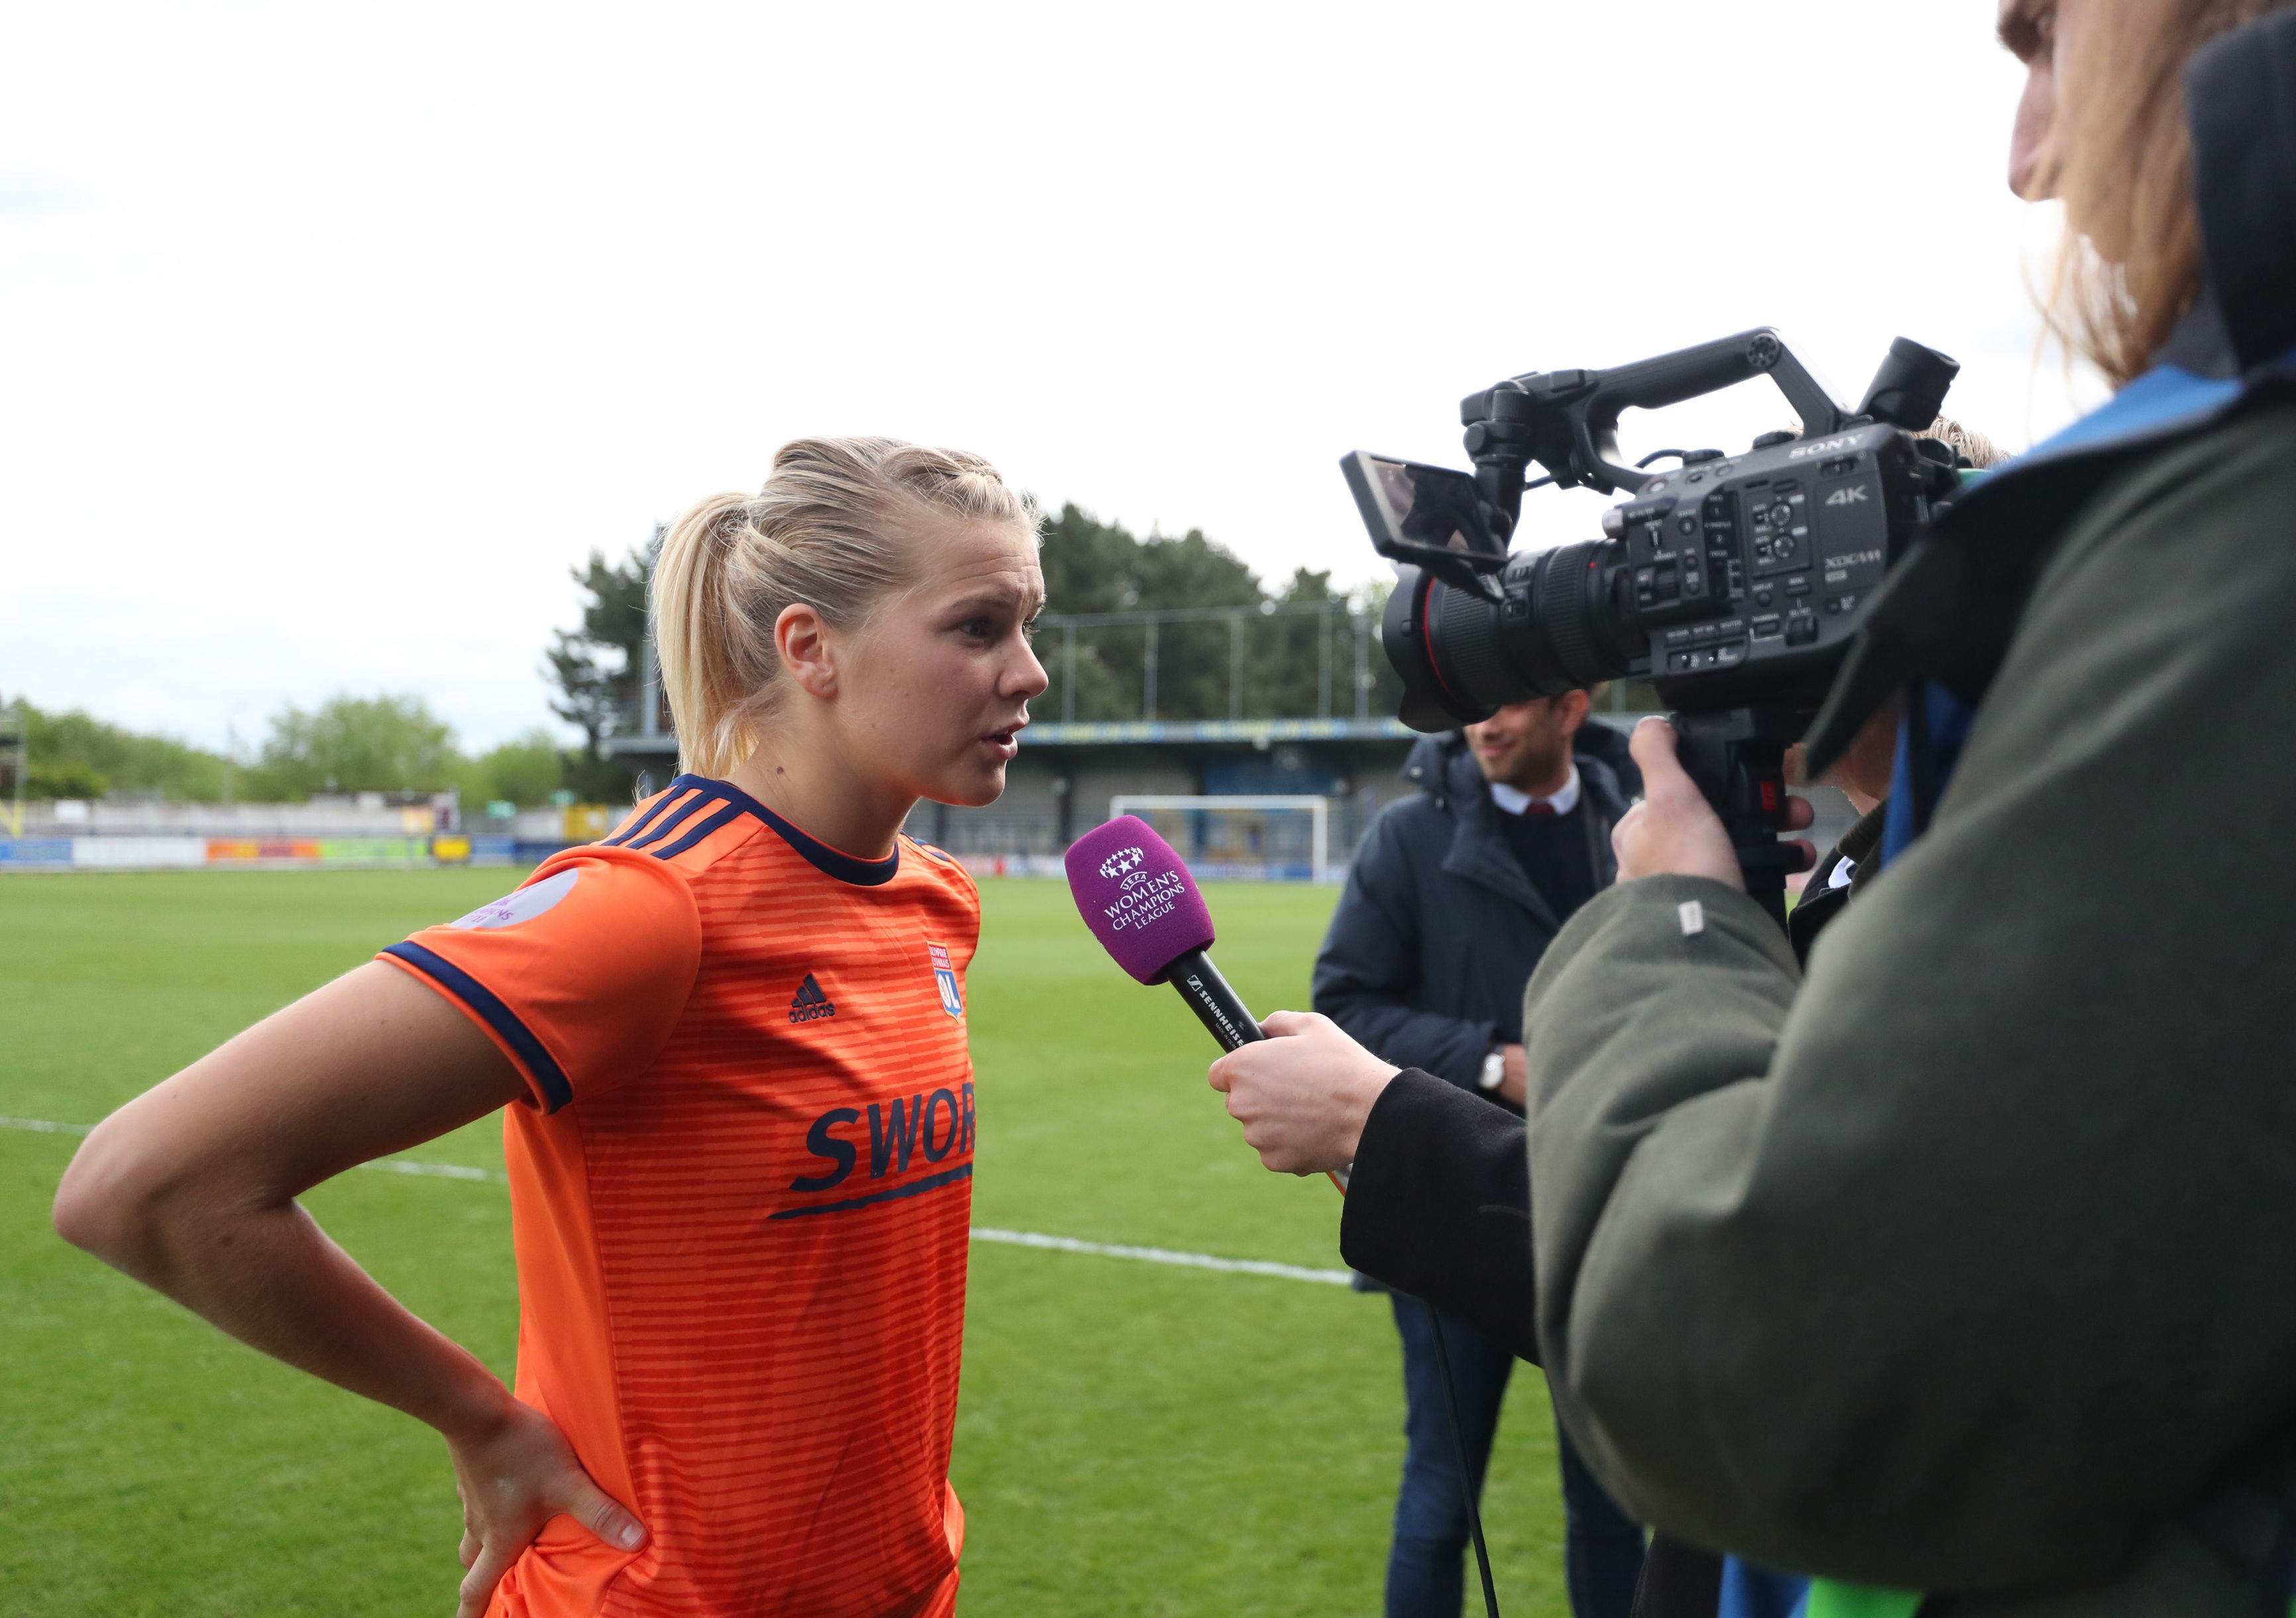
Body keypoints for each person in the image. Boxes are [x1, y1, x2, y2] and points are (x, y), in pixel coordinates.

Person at [1208, 0, 2296, 1611]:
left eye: (2049, 41)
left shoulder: (2230, 546)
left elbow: (1793, 1354)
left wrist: (1666, 923)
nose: (2030, 159)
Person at [52, 437, 1049, 1617]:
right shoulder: (650, 911)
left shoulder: (938, 902)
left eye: (1031, 625)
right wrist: (476, 1417)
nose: (1029, 672)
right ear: (810, 648)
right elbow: (142, 1185)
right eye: (978, 627)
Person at [1315, 693, 1644, 1618]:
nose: (1480, 724)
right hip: (1453, 1203)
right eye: (1466, 707)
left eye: (1503, 701)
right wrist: (1496, 1062)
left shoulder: (1639, 828)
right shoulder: (1407, 837)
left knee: (1618, 1507)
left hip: (1613, 1205)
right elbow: (1344, 1008)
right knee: (1438, 1504)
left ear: (1572, 705)